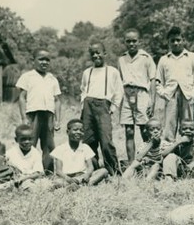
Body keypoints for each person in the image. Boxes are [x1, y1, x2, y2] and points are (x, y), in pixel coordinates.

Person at [80, 41, 123, 175]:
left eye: (98, 52)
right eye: (92, 53)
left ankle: (113, 171)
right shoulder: (88, 72)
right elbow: (83, 90)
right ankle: (93, 169)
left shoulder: (112, 71)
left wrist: (113, 108)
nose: (96, 55)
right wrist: (83, 106)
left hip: (104, 106)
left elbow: (119, 91)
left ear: (105, 53)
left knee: (106, 141)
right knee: (88, 140)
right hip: (88, 107)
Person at [16, 48, 61, 172]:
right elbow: (22, 97)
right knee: (30, 143)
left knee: (49, 145)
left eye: (47, 60)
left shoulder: (52, 79)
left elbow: (57, 100)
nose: (44, 62)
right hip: (33, 114)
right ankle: (27, 171)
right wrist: (24, 118)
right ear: (33, 60)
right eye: (41, 59)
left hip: (48, 115)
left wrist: (57, 120)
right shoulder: (27, 76)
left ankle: (48, 171)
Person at [156, 26, 194, 142]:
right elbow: (158, 81)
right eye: (172, 41)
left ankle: (187, 154)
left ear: (183, 40)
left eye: (178, 40)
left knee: (188, 127)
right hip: (170, 96)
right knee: (169, 128)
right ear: (168, 42)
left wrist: (193, 94)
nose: (176, 43)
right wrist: (164, 93)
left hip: (187, 95)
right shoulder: (164, 59)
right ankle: (168, 154)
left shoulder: (191, 57)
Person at [118, 29, 157, 163]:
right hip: (127, 94)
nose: (131, 44)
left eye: (134, 41)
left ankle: (148, 160)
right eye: (128, 41)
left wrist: (152, 100)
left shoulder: (146, 58)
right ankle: (131, 164)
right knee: (129, 131)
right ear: (124, 42)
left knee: (144, 130)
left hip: (142, 94)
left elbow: (152, 79)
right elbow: (120, 80)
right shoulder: (122, 59)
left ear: (139, 41)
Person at [50, 119, 109, 186]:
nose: (78, 132)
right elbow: (58, 171)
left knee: (103, 171)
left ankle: (80, 185)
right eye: (75, 130)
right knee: (57, 182)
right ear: (67, 132)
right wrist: (68, 179)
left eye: (81, 130)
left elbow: (90, 167)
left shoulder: (85, 147)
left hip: (82, 176)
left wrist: (87, 175)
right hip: (67, 178)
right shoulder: (60, 148)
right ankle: (81, 185)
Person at [6, 124, 45, 189]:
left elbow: (38, 173)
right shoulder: (11, 152)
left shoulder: (36, 153)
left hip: (29, 179)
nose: (27, 142)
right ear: (16, 140)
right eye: (23, 139)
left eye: (30, 139)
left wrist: (24, 178)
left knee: (34, 185)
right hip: (13, 179)